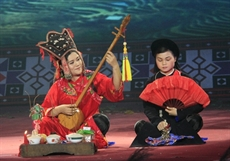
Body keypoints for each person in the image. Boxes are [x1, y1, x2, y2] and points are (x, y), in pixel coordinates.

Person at [35, 28, 124, 149]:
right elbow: (44, 110)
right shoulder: (58, 85)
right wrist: (59, 109)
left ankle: (77, 138)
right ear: (63, 66)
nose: (77, 64)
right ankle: (66, 139)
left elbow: (115, 90)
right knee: (43, 122)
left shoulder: (92, 77)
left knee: (101, 120)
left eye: (78, 59)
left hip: (87, 127)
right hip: (64, 128)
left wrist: (115, 66)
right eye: (71, 62)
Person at [130, 38, 210, 147]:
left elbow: (199, 103)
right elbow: (148, 108)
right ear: (155, 60)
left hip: (180, 121)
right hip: (161, 124)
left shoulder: (185, 79)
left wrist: (179, 113)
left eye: (167, 59)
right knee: (140, 126)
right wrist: (157, 122)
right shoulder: (151, 81)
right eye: (160, 60)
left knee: (196, 120)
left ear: (175, 58)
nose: (164, 63)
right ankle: (164, 132)